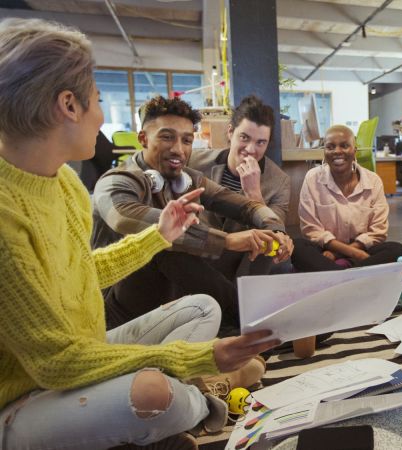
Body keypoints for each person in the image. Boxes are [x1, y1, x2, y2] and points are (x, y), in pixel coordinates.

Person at [0, 18, 279, 449]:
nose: (100, 116)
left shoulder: (64, 182)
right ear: (68, 105)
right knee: (154, 394)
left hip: (86, 350)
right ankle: (206, 393)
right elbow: (56, 362)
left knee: (202, 307)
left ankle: (149, 420)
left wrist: (163, 234)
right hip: (25, 396)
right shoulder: (21, 209)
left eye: (187, 139)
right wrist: (200, 356)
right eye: (97, 99)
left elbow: (81, 271)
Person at [92, 95, 293, 331]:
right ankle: (247, 321)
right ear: (143, 138)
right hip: (113, 312)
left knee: (264, 239)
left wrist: (276, 231)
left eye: (186, 140)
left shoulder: (187, 177)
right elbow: (127, 218)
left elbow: (246, 207)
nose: (178, 149)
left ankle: (248, 320)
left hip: (174, 297)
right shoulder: (116, 181)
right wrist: (227, 240)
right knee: (164, 243)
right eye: (167, 137)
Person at [189, 94, 292, 275]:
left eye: (260, 142)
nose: (251, 149)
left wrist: (254, 194)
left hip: (243, 262)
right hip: (199, 254)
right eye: (244, 138)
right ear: (230, 132)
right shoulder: (195, 162)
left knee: (271, 246)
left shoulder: (279, 181)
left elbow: (274, 231)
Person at [291, 125, 402, 271]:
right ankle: (354, 274)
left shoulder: (373, 181)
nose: (337, 151)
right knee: (297, 247)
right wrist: (354, 254)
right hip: (327, 251)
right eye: (330, 147)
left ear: (354, 151)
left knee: (397, 250)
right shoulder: (312, 179)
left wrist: (338, 254)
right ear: (324, 151)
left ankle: (335, 274)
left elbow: (378, 231)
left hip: (358, 249)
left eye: (344, 146)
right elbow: (311, 230)